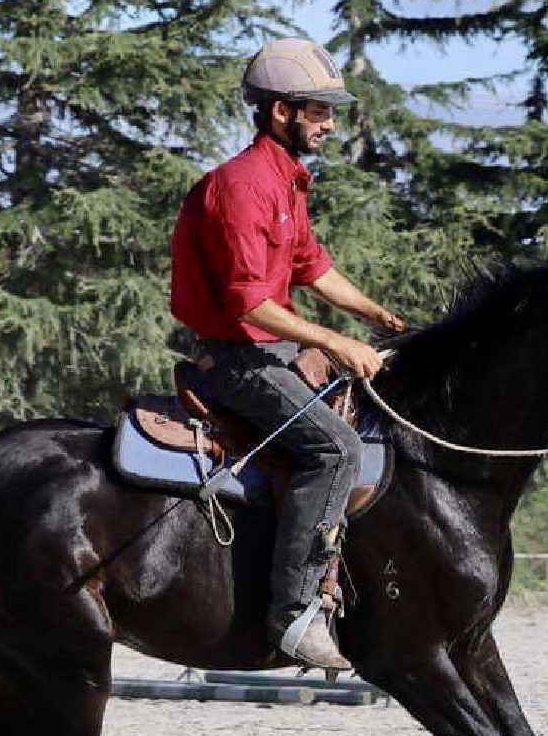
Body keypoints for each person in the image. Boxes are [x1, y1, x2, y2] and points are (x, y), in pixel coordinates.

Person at [170, 38, 405, 670]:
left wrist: (376, 315)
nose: (330, 124)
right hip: (238, 360)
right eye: (320, 111)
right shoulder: (242, 187)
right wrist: (335, 340)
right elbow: (249, 307)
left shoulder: (286, 185)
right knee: (336, 449)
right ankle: (294, 615)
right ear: (280, 112)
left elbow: (313, 269)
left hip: (270, 351)